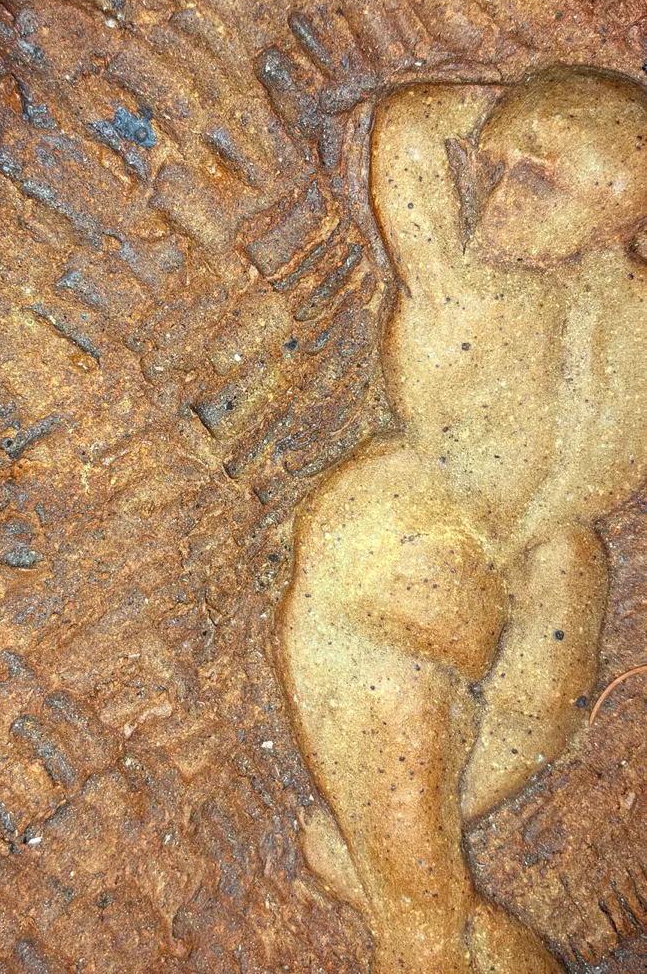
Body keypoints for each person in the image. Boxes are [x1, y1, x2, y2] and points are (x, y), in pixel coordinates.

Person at [277, 67, 647, 973]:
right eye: (498, 165)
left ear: (620, 205)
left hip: (483, 573)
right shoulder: (489, 273)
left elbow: (412, 121)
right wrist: (542, 122)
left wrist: (568, 128)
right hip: (454, 568)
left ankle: (383, 868)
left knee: (426, 913)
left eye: (540, 180)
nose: (500, 196)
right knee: (429, 915)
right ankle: (390, 871)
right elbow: (411, 117)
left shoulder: (526, 297)